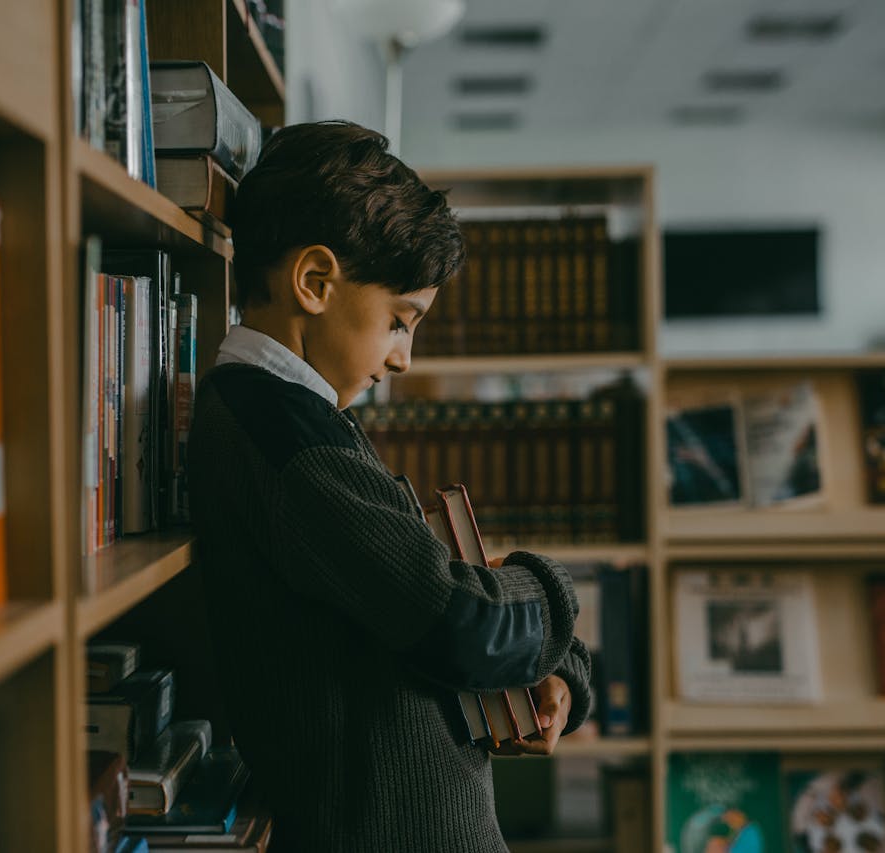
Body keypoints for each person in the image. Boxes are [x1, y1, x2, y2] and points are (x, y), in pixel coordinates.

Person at [187, 120, 592, 852]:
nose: (404, 358)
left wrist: (559, 668)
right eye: (400, 322)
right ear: (314, 283)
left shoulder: (300, 418)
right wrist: (552, 588)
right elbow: (456, 622)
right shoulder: (284, 434)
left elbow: (418, 600)